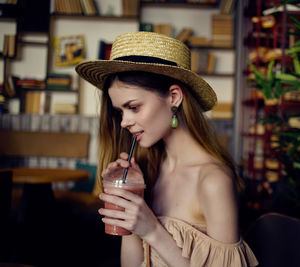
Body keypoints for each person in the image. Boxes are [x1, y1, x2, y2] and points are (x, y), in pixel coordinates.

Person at [75, 31, 258, 267]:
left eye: (133, 107)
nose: (124, 122)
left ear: (173, 97)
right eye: (120, 111)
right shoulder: (150, 170)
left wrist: (152, 231)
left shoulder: (213, 180)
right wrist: (131, 211)